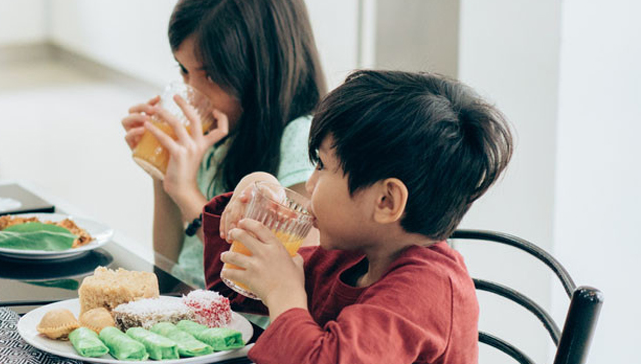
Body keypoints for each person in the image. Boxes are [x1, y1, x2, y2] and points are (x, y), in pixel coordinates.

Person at [202, 70, 514, 363]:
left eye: (322, 166)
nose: (310, 184)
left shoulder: (426, 291)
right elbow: (228, 288)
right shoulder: (351, 258)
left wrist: (284, 292)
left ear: (386, 201)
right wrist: (250, 195)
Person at [121, 0, 327, 287]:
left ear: (261, 72)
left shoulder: (301, 143)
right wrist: (164, 175)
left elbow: (281, 275)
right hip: (190, 301)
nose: (191, 90)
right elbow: (168, 265)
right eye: (183, 70)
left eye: (211, 75)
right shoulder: (220, 131)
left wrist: (187, 192)